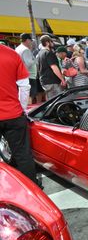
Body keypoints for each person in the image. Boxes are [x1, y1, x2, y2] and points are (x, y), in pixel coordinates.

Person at [0, 44, 41, 187]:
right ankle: (32, 190)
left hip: (12, 113)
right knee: (23, 155)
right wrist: (22, 109)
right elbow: (25, 86)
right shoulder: (12, 54)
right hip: (13, 114)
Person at [37, 35, 66, 99]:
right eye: (51, 41)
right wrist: (62, 79)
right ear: (47, 43)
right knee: (58, 101)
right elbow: (54, 67)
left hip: (45, 81)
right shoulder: (49, 53)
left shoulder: (39, 53)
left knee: (51, 101)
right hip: (52, 81)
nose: (52, 43)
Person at [15, 33, 37, 104]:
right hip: (29, 76)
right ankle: (28, 112)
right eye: (30, 40)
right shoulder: (25, 50)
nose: (31, 42)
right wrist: (34, 60)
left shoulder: (17, 48)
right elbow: (29, 63)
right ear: (27, 40)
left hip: (21, 76)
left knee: (23, 95)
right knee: (29, 95)